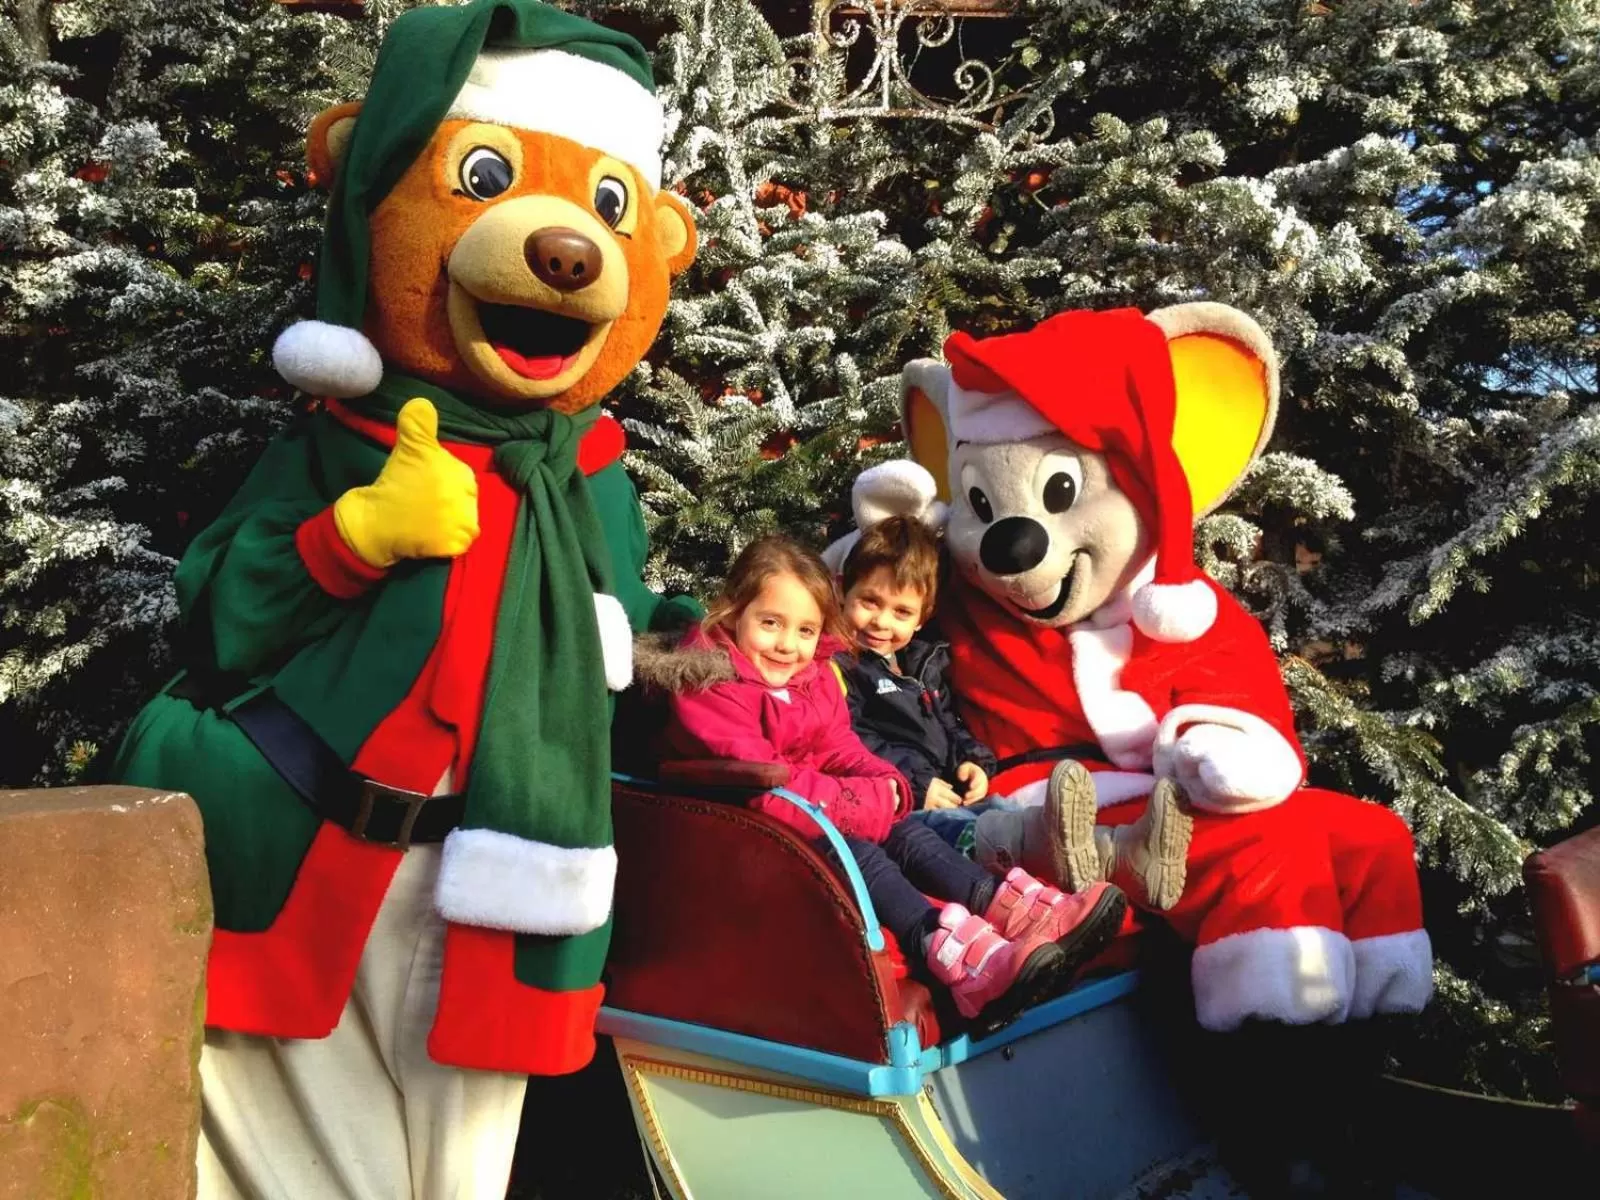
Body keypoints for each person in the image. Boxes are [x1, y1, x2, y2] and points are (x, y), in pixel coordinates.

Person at [656, 533, 1127, 1031]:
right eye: (770, 623)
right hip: (748, 831)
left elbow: (839, 744)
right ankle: (953, 954)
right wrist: (860, 802)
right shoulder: (711, 684)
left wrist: (888, 782)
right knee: (859, 849)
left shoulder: (810, 677)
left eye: (806, 630)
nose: (788, 645)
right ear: (733, 612)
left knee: (905, 831)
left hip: (807, 812)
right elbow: (763, 785)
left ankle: (1008, 908)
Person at [833, 516, 1004, 852]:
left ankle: (1100, 852)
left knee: (1006, 810)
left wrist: (972, 761)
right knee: (986, 831)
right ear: (842, 590)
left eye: (901, 612)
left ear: (922, 618)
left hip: (948, 793)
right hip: (905, 806)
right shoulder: (842, 667)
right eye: (870, 601)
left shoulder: (925, 662)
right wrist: (917, 784)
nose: (881, 621)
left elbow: (949, 723)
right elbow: (853, 740)